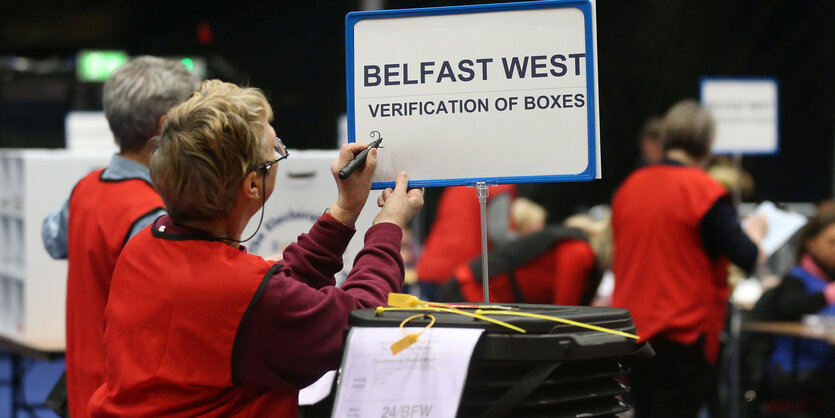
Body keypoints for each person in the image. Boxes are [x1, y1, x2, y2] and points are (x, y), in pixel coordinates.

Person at [88, 80, 424, 416]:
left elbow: (278, 293)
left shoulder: (142, 247)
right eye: (274, 150)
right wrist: (388, 227)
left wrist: (346, 209)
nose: (278, 156)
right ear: (252, 184)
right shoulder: (242, 292)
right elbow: (361, 317)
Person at [41, 56, 199, 418]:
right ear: (165, 126)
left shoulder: (85, 188)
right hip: (128, 398)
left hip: (85, 390)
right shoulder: (155, 214)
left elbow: (52, 240)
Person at [610, 99, 767, 418]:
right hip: (684, 331)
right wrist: (757, 232)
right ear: (707, 144)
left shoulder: (629, 187)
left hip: (634, 329)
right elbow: (747, 257)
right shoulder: (704, 191)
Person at [438, 200, 603, 306]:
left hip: (475, 286)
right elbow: (566, 311)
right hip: (471, 289)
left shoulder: (572, 247)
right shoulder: (577, 251)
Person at [762, 210, 835, 415]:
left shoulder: (828, 277)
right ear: (810, 243)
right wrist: (826, 296)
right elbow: (788, 307)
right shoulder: (796, 278)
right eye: (831, 242)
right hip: (797, 369)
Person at [416, 184, 516, 300]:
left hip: (430, 268)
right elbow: (499, 234)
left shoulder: (457, 184)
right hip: (460, 275)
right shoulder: (498, 186)